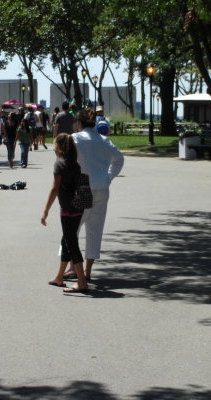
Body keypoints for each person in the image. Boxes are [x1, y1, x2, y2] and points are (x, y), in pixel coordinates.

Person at [64, 108, 124, 281]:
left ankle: (73, 268)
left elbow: (65, 163)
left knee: (72, 228)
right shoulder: (104, 140)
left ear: (79, 123)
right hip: (101, 188)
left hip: (81, 188)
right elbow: (119, 159)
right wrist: (109, 177)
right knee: (95, 230)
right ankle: (88, 270)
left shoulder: (75, 139)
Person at [41, 133, 88, 293]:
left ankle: (81, 282)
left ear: (59, 146)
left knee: (71, 244)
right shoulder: (75, 164)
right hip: (78, 207)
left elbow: (55, 189)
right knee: (67, 241)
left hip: (67, 209)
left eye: (55, 144)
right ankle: (59, 277)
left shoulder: (59, 164)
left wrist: (45, 211)